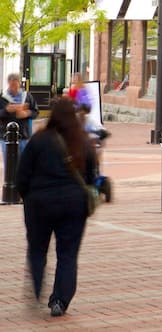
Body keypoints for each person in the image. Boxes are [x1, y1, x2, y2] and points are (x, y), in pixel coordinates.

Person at [15, 99, 96, 317]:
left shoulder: (39, 140)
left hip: (39, 204)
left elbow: (22, 176)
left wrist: (27, 196)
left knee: (37, 249)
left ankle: (37, 286)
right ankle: (60, 300)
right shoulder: (83, 142)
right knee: (68, 254)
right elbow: (92, 177)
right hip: (73, 205)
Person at [0, 72, 39, 156]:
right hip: (6, 136)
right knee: (9, 164)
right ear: (8, 83)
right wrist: (6, 110)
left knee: (23, 164)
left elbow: (35, 112)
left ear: (19, 83)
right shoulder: (3, 97)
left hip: (23, 136)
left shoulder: (27, 96)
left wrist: (27, 113)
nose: (13, 87)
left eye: (16, 84)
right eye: (11, 85)